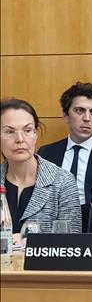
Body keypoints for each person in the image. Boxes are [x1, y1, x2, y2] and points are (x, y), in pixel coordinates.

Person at [38, 82, 92, 231]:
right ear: (66, 115)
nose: (87, 118)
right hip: (54, 232)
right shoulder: (47, 154)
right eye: (80, 111)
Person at [1, 98, 82, 237]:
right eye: (9, 132)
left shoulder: (63, 181)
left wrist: (33, 244)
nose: (20, 139)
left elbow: (71, 242)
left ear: (36, 134)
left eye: (27, 130)